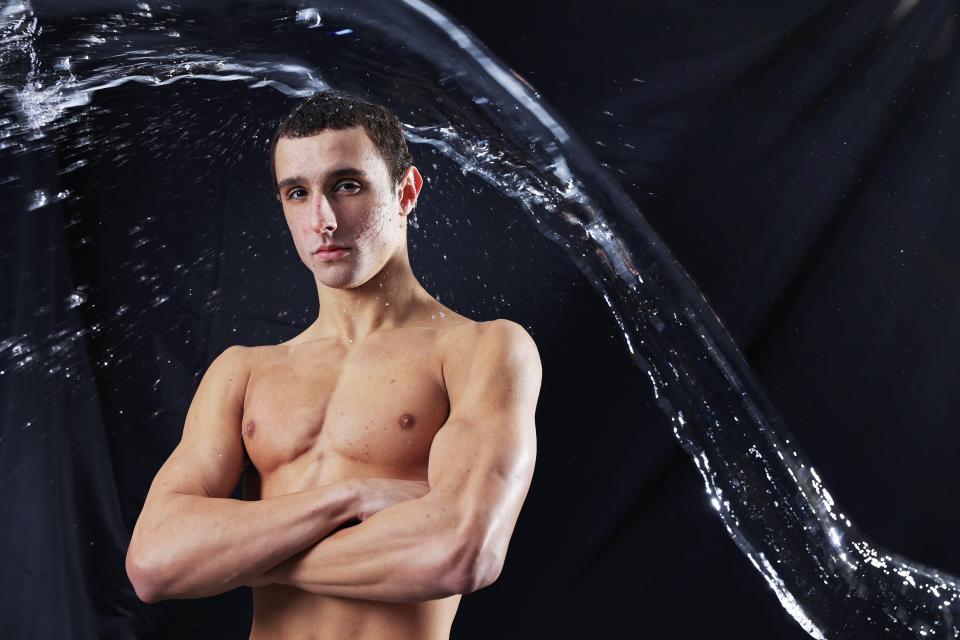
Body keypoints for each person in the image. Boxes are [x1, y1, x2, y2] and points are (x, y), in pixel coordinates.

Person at [125, 90, 543, 640]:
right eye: (298, 193)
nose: (322, 219)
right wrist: (353, 498)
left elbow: (460, 554)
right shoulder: (244, 372)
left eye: (347, 186)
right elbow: (154, 562)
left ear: (406, 191)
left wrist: (235, 557)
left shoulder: (482, 350)